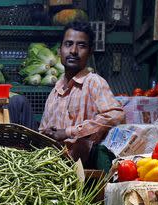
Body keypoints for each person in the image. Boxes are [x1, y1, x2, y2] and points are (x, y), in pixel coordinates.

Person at [40, 21, 125, 164]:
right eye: (68, 44)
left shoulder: (93, 82)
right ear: (60, 51)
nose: (73, 50)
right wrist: (47, 133)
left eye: (81, 45)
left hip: (82, 169)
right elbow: (42, 130)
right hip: (52, 167)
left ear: (90, 52)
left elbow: (116, 115)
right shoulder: (55, 92)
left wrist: (68, 132)